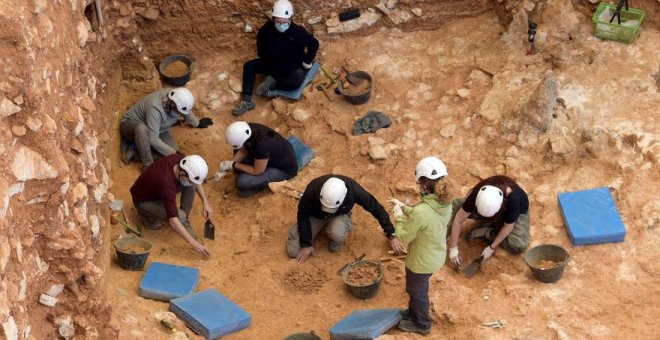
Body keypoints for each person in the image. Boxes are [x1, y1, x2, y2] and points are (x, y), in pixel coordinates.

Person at [389, 156, 452, 335]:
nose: (418, 186)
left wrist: (398, 215)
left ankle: (422, 324)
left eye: (419, 182)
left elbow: (403, 236)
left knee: (417, 291)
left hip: (420, 262)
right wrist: (404, 207)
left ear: (425, 184)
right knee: (417, 288)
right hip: (436, 255)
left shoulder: (422, 212)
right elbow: (424, 215)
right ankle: (412, 312)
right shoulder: (445, 203)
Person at [286, 175, 406, 263]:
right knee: (293, 251)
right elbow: (303, 214)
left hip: (339, 214)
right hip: (316, 215)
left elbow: (377, 208)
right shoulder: (313, 189)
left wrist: (391, 235)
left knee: (337, 233)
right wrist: (306, 243)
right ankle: (310, 230)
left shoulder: (354, 190)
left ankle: (336, 234)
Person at [232, 0, 319, 116]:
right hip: (272, 63)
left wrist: (307, 61)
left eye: (284, 22)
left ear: (290, 18)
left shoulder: (297, 33)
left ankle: (272, 84)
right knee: (249, 66)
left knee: (296, 80)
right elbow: (261, 38)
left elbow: (314, 44)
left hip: (292, 66)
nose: (280, 24)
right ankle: (247, 101)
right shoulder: (268, 28)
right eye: (278, 21)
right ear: (273, 19)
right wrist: (262, 54)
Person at [130, 154, 212, 258]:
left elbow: (194, 180)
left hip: (157, 191)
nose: (190, 182)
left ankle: (184, 222)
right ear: (182, 172)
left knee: (191, 186)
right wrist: (194, 244)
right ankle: (147, 216)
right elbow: (173, 220)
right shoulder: (166, 183)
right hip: (144, 201)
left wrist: (206, 202)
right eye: (189, 179)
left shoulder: (182, 161)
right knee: (179, 216)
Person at [447, 175, 530, 270]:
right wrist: (453, 248)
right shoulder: (479, 193)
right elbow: (458, 219)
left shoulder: (513, 199)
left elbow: (508, 227)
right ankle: (439, 239)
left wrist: (491, 248)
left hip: (515, 214)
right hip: (486, 211)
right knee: (454, 207)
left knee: (517, 244)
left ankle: (487, 232)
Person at [120, 87, 214, 168]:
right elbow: (153, 139)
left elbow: (185, 109)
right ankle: (147, 165)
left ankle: (134, 153)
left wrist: (196, 123)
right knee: (141, 129)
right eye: (177, 111)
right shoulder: (155, 108)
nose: (179, 113)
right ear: (172, 104)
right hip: (131, 125)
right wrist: (172, 152)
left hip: (157, 127)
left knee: (172, 150)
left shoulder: (176, 96)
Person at [216, 121, 298, 197]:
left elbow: (257, 171)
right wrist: (227, 166)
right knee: (237, 153)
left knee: (241, 182)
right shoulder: (249, 129)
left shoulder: (262, 145)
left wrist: (233, 165)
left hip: (284, 169)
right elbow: (243, 150)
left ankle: (259, 187)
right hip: (271, 155)